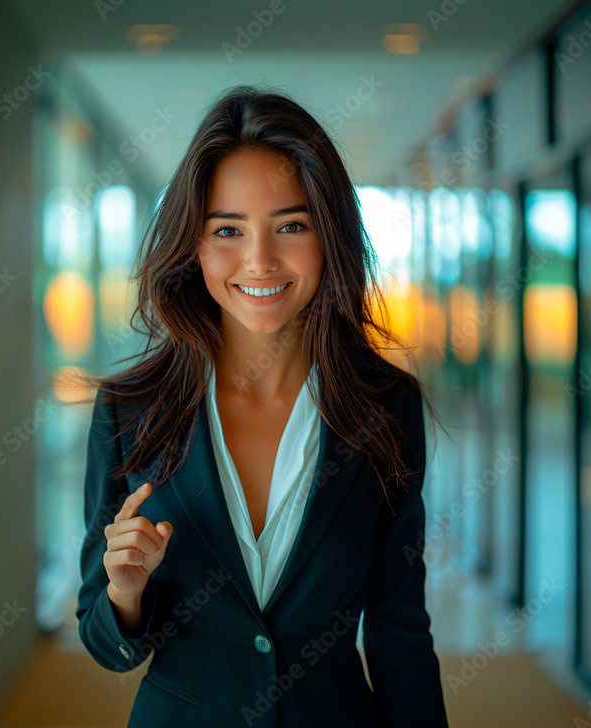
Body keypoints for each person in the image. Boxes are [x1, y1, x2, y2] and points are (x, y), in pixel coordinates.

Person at [73, 85, 450, 727]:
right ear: (193, 244)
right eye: (228, 229)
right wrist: (127, 593)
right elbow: (106, 644)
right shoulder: (128, 408)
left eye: (291, 226)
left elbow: (400, 631)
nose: (260, 260)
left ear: (330, 235)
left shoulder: (386, 406)